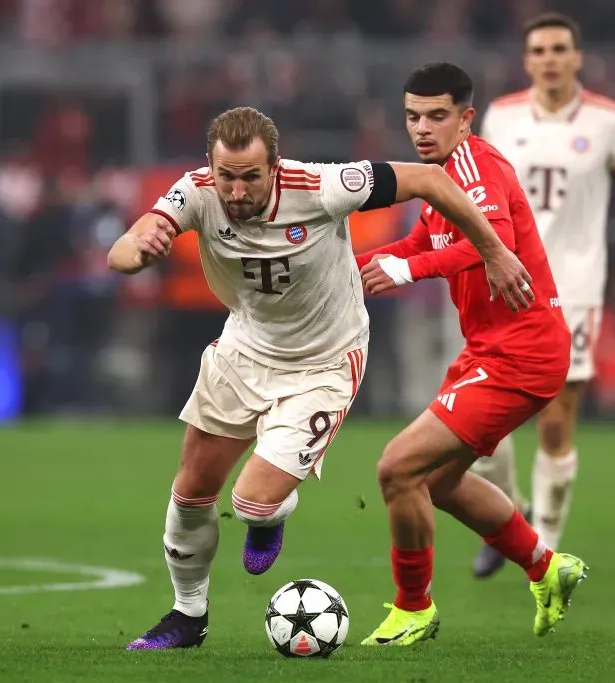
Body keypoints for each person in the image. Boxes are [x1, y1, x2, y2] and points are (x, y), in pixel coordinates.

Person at [108, 106, 535, 651]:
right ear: (211, 170)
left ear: (276, 168)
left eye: (250, 177)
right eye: (227, 177)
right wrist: (136, 253)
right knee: (191, 492)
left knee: (253, 503)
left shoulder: (324, 186)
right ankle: (188, 616)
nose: (236, 191)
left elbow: (429, 178)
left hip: (324, 363)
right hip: (244, 349)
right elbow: (130, 241)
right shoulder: (195, 193)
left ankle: (268, 517)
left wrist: (493, 249)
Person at [354, 63, 587, 646]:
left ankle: (414, 608)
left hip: (522, 352)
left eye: (437, 116)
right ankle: (545, 566)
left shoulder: (474, 166)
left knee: (395, 467)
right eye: (413, 116)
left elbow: (493, 239)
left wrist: (409, 269)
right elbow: (425, 239)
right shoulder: (440, 175)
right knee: (434, 480)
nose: (423, 128)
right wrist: (360, 264)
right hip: (492, 348)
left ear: (466, 117)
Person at [471, 12, 615, 577]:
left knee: (556, 421)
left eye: (560, 49)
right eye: (539, 50)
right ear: (526, 60)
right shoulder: (501, 118)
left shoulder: (609, 122)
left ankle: (543, 554)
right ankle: (511, 517)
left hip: (573, 288)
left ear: (577, 57)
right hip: (504, 281)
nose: (550, 59)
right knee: (485, 425)